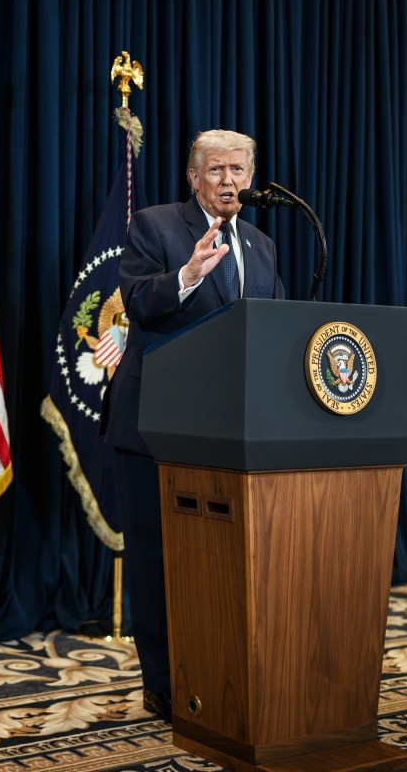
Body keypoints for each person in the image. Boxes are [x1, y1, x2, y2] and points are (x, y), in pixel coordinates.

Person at [102, 129, 286, 722]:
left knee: (222, 564)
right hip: (154, 424)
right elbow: (137, 302)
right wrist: (187, 275)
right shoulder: (156, 227)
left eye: (239, 169)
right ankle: (162, 682)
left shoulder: (261, 244)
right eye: (216, 170)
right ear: (193, 176)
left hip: (230, 430)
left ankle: (216, 673)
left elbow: (272, 326)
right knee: (157, 562)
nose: (229, 181)